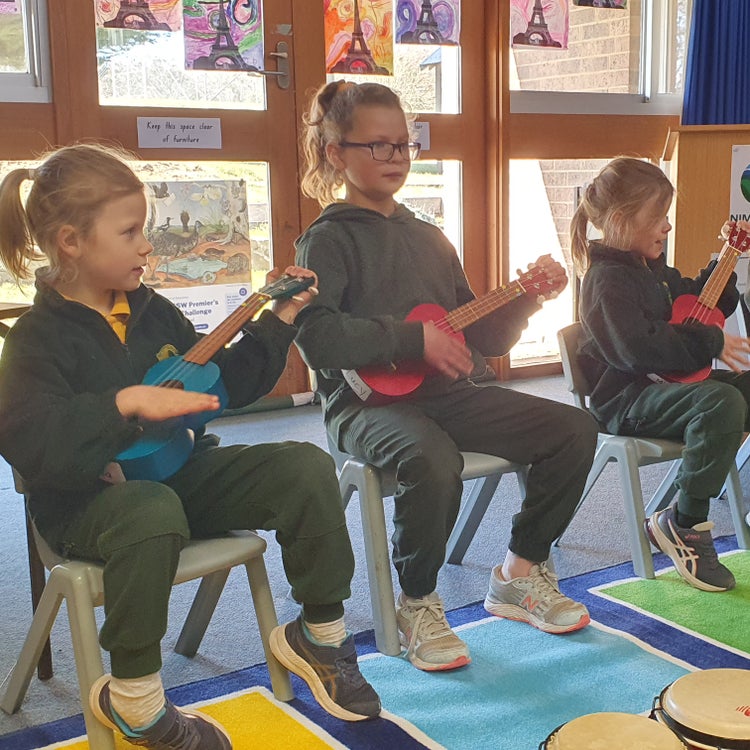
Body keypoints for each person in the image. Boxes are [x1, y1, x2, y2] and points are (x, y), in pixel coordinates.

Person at [0, 143, 381, 750]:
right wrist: (123, 404)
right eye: (130, 233)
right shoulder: (34, 339)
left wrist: (277, 319)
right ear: (71, 242)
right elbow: (30, 442)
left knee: (304, 466)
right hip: (87, 506)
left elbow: (225, 385)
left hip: (179, 473)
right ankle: (136, 700)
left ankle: (322, 633)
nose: (147, 246)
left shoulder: (153, 312)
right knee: (151, 509)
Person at [293, 80, 598, 673]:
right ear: (336, 153)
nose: (396, 159)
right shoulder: (326, 240)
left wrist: (525, 300)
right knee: (431, 457)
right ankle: (417, 602)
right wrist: (412, 340)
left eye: (404, 145)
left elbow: (483, 336)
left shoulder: (429, 236)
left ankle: (517, 573)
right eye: (378, 147)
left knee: (574, 428)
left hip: (447, 395)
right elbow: (318, 337)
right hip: (364, 407)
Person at [571, 156, 750, 593]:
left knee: (738, 394)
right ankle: (685, 524)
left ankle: (687, 499)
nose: (667, 227)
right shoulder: (605, 280)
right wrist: (710, 344)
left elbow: (697, 304)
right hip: (627, 399)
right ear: (619, 221)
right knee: (721, 402)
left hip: (666, 387)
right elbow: (638, 350)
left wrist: (725, 263)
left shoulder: (651, 270)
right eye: (658, 217)